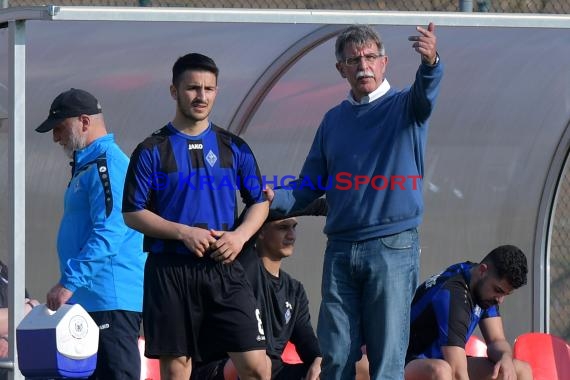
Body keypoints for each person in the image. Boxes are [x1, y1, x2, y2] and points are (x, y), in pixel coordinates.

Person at [267, 23, 444, 379]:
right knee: (335, 356)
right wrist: (271, 198)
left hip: (392, 246)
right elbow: (307, 187)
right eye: (353, 59)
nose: (363, 65)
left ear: (384, 62)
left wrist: (431, 63)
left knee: (387, 360)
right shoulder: (333, 120)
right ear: (341, 69)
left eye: (370, 57)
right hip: (342, 249)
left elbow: (426, 95)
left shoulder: (404, 106)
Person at [122, 52, 270, 380]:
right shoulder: (151, 150)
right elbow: (132, 213)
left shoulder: (235, 147)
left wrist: (240, 236)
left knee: (257, 367)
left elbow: (259, 201)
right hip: (170, 271)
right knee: (177, 372)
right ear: (174, 91)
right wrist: (184, 233)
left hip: (224, 269)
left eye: (209, 89)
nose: (201, 96)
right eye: (192, 88)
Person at [35, 88, 146, 380]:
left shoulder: (107, 164)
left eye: (59, 128)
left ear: (84, 121)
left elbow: (111, 231)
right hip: (89, 301)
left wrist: (69, 282)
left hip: (110, 301)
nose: (56, 137)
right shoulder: (88, 165)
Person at [192, 200, 327, 380]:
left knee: (351, 367)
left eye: (294, 227)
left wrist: (318, 360)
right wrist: (322, 206)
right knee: (259, 364)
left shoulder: (295, 290)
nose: (292, 235)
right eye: (283, 227)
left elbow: (306, 341)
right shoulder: (240, 266)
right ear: (260, 231)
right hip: (224, 366)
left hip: (271, 370)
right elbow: (256, 209)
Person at [405, 245, 533, 380]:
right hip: (406, 363)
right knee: (441, 371)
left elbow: (496, 341)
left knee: (520, 369)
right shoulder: (454, 293)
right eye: (498, 290)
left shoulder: (482, 286)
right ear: (482, 271)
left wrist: (505, 357)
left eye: (506, 294)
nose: (500, 300)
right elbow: (458, 373)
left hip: (444, 360)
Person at [0, 260, 40, 380]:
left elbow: (31, 318)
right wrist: (31, 306)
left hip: (16, 360)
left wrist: (9, 337)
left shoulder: (7, 273)